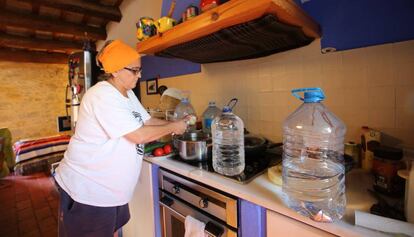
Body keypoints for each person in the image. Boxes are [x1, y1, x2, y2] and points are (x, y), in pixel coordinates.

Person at [54, 39, 188, 237]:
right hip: (89, 191)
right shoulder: (102, 95)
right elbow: (138, 135)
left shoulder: (127, 94)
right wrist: (175, 127)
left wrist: (177, 123)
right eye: (134, 70)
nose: (140, 75)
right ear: (115, 70)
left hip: (111, 193)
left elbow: (147, 121)